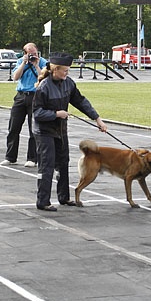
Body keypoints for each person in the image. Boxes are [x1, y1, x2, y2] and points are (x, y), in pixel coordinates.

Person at [33, 52, 108, 211]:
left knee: (63, 163)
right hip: (44, 132)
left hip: (60, 130)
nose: (67, 73)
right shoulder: (44, 87)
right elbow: (37, 113)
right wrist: (55, 114)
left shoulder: (69, 84)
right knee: (47, 165)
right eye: (65, 70)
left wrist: (97, 119)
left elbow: (80, 101)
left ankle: (64, 197)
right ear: (55, 70)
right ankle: (42, 201)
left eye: (68, 70)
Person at [0, 43, 47, 167]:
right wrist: (24, 63)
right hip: (21, 95)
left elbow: (43, 78)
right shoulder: (21, 61)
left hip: (35, 96)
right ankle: (10, 156)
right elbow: (15, 77)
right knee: (13, 127)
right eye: (30, 54)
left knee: (34, 129)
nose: (33, 56)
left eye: (35, 53)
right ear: (25, 53)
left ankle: (32, 158)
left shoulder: (42, 62)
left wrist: (36, 65)